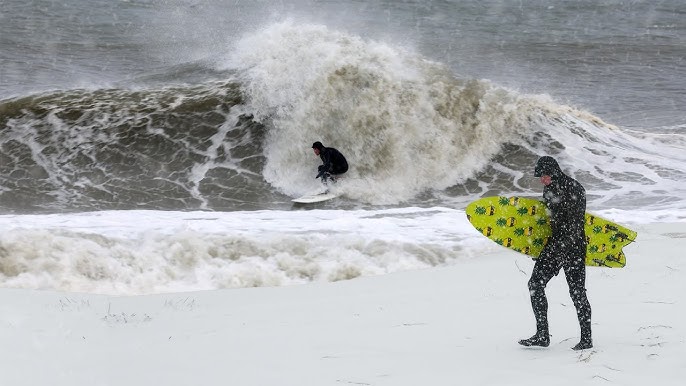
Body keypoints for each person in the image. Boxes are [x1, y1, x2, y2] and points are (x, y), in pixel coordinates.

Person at [519, 156, 593, 351]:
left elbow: (574, 225)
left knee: (575, 292)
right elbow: (551, 223)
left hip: (570, 245)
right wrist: (540, 248)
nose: (541, 180)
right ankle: (542, 335)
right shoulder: (550, 188)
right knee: (538, 285)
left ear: (553, 172)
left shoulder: (574, 189)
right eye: (540, 177)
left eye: (543, 176)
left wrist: (557, 252)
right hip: (562, 246)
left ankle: (586, 339)